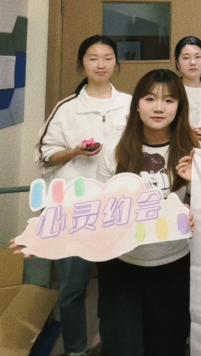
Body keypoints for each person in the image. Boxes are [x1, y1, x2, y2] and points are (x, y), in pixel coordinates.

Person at [34, 35, 132, 356]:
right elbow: (45, 155)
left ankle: (111, 345)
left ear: (116, 62)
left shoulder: (130, 104)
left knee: (119, 287)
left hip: (117, 208)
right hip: (74, 209)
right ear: (81, 64)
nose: (101, 64)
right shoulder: (67, 108)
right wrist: (75, 151)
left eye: (107, 57)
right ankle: (75, 350)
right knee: (73, 288)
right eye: (92, 58)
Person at [95, 69, 198, 356]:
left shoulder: (191, 150)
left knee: (167, 346)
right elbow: (99, 209)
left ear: (179, 107)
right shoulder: (114, 150)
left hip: (172, 264)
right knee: (121, 346)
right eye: (150, 99)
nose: (158, 108)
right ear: (137, 104)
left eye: (169, 100)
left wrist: (193, 210)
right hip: (121, 264)